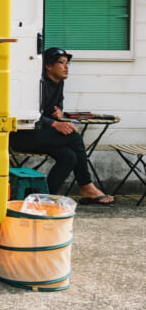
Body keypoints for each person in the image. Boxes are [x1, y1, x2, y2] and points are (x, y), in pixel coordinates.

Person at [9, 47, 114, 204]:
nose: (67, 67)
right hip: (22, 136)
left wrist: (58, 113)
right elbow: (23, 113)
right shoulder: (36, 84)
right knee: (74, 137)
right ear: (48, 66)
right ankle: (86, 185)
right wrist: (54, 124)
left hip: (41, 136)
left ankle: (45, 196)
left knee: (69, 156)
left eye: (67, 63)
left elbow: (55, 106)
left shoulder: (58, 83)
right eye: (62, 63)